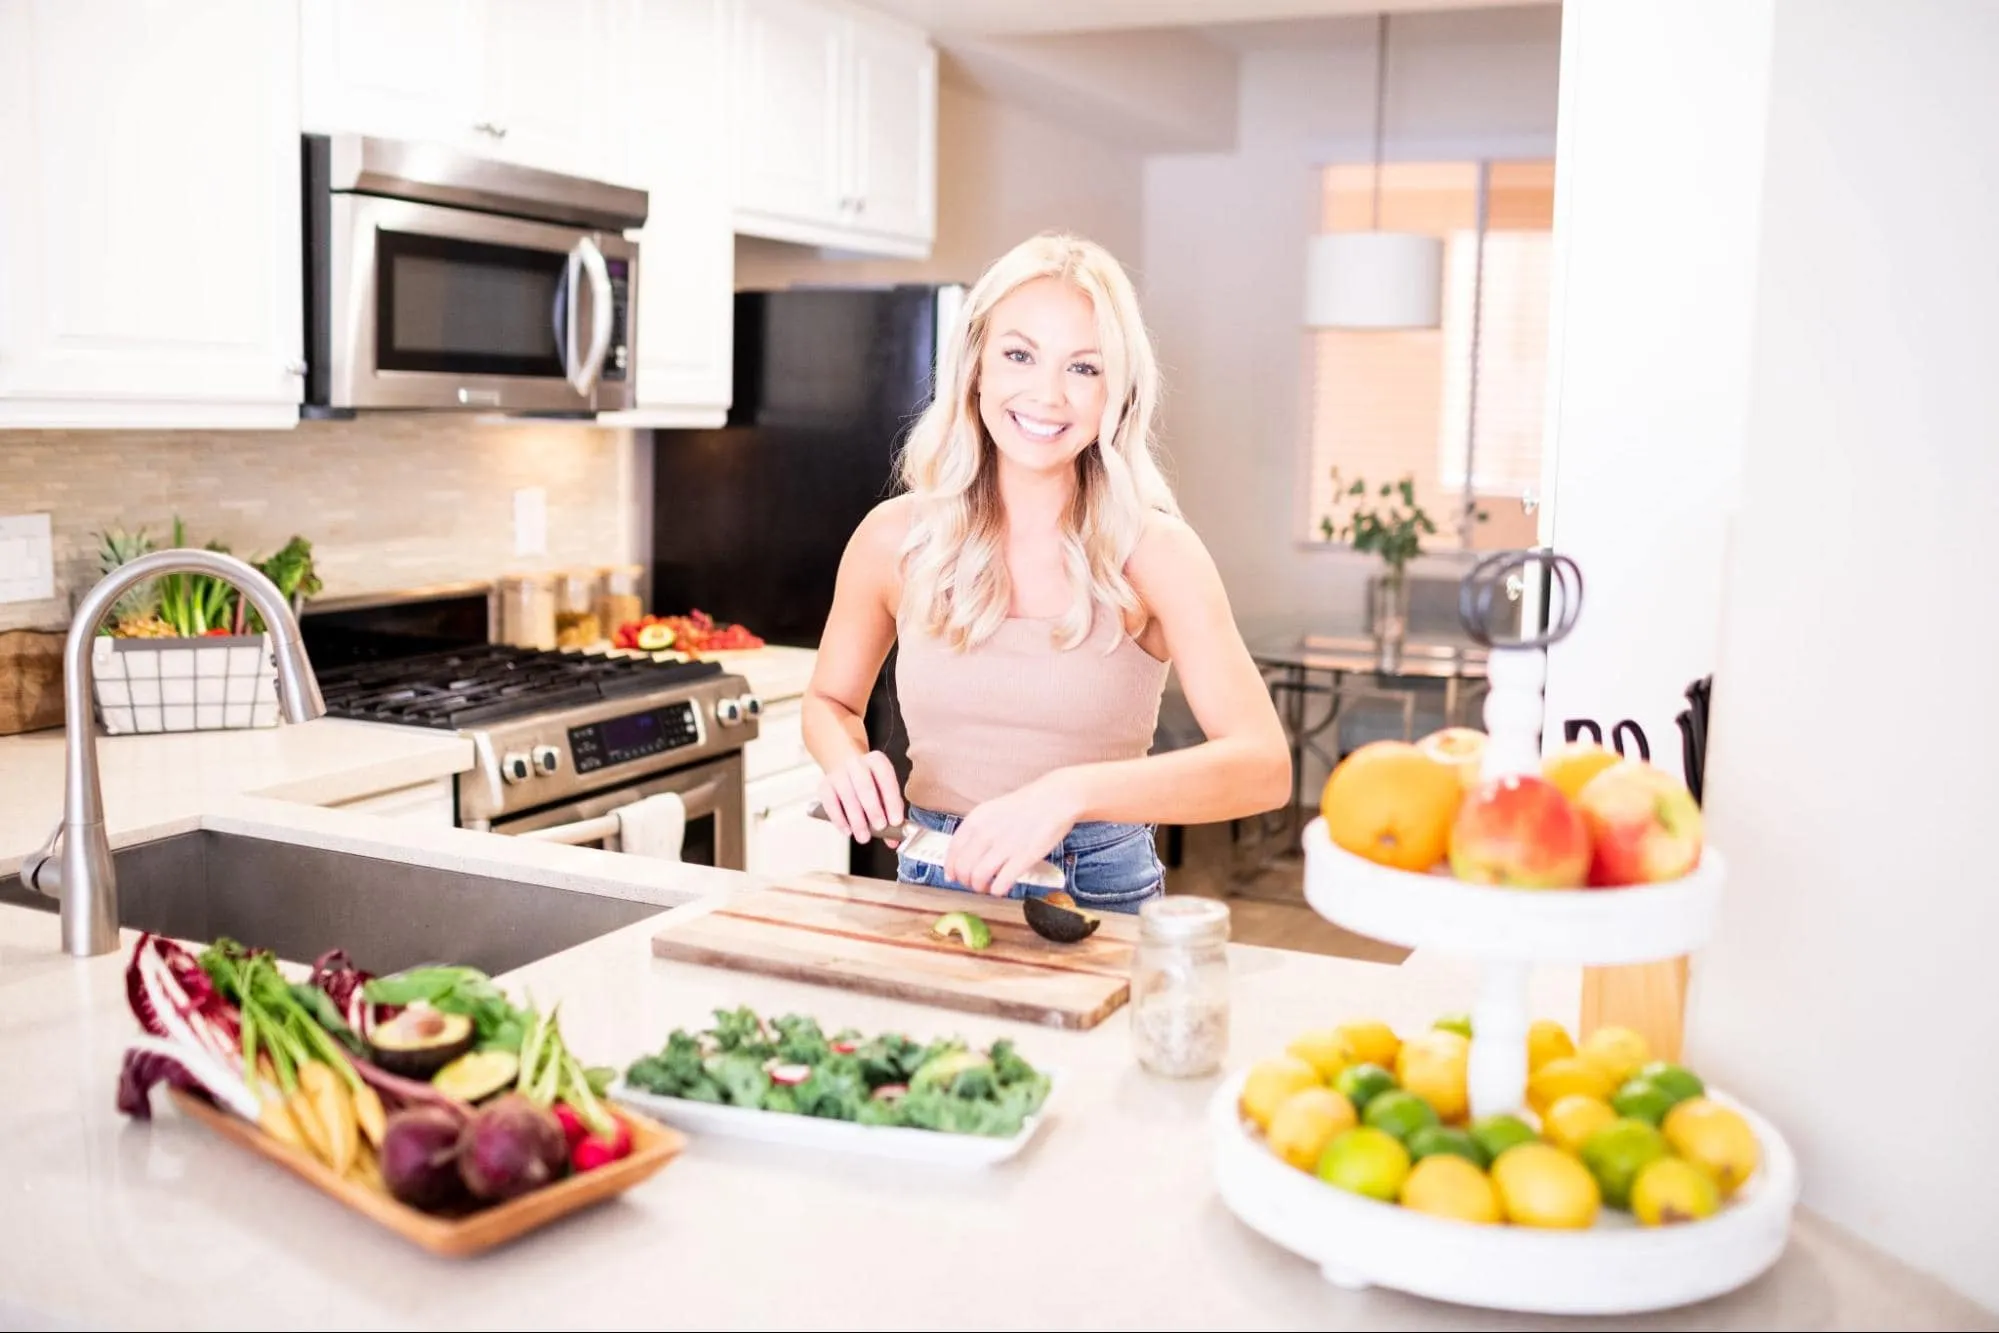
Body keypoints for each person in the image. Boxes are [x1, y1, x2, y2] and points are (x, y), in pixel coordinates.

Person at [801, 231, 1291, 913]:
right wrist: (845, 761)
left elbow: (1262, 766)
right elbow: (830, 703)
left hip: (1095, 886)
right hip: (932, 874)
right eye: (1019, 355)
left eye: (1083, 368)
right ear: (976, 368)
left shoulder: (1156, 553)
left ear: (1116, 392)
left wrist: (1071, 792)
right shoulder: (894, 539)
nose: (1047, 394)